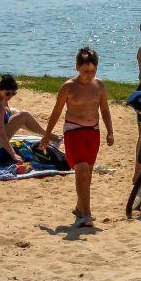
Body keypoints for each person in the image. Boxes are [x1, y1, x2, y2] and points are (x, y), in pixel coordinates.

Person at [37, 47, 114, 227]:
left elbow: (104, 109)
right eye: (86, 71)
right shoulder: (68, 87)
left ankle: (80, 207)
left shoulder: (99, 85)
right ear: (77, 67)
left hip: (93, 132)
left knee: (88, 174)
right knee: (81, 169)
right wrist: (46, 136)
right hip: (73, 131)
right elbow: (56, 112)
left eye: (93, 71)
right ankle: (86, 214)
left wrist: (110, 131)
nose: (89, 74)